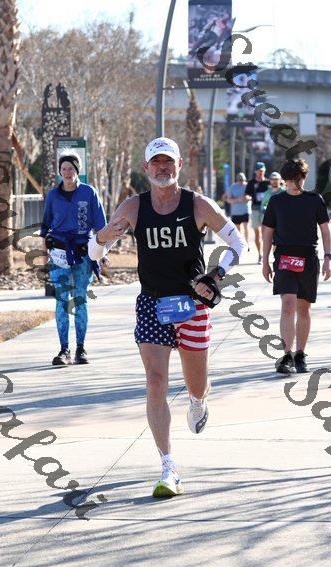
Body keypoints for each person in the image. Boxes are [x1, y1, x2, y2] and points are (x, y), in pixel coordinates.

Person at [89, 137, 247, 497]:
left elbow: (238, 243)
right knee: (155, 381)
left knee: (195, 385)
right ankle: (167, 465)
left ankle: (198, 401)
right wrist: (101, 237)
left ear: (179, 166)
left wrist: (215, 275)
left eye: (168, 162)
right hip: (152, 304)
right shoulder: (133, 207)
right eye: (156, 162)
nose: (163, 168)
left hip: (192, 303)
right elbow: (95, 252)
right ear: (146, 168)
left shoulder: (198, 204)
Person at [261, 158, 331, 375]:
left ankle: (300, 354)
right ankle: (287, 355)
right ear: (284, 180)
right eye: (290, 180)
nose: (294, 184)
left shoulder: (314, 200)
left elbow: (325, 231)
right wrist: (265, 261)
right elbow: (267, 232)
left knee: (303, 308)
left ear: (304, 178)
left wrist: (327, 258)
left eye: (298, 179)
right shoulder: (276, 201)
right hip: (284, 258)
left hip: (308, 258)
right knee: (287, 304)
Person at [40, 151, 106, 366]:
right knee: (61, 301)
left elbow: (101, 227)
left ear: (78, 170)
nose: (67, 172)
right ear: (60, 171)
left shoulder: (89, 192)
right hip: (58, 252)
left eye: (71, 168)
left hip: (83, 253)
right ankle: (63, 349)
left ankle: (81, 348)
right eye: (64, 169)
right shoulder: (52, 195)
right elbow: (45, 227)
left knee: (80, 300)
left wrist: (102, 254)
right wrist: (43, 254)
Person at [245, 161, 269, 264]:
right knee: (257, 233)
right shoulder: (251, 183)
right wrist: (248, 197)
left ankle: (265, 254)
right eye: (258, 171)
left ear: (264, 171)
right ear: (255, 171)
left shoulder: (268, 182)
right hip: (255, 209)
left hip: (266, 210)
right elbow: (247, 194)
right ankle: (260, 254)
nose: (260, 173)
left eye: (262, 171)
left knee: (265, 233)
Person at [223, 172, 250, 245]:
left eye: (243, 180)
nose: (241, 182)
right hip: (235, 212)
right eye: (240, 180)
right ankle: (241, 243)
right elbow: (228, 199)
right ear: (237, 180)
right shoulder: (232, 187)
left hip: (245, 210)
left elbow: (250, 196)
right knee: (238, 229)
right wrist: (238, 199)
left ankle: (247, 242)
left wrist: (248, 198)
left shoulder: (247, 186)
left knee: (246, 226)